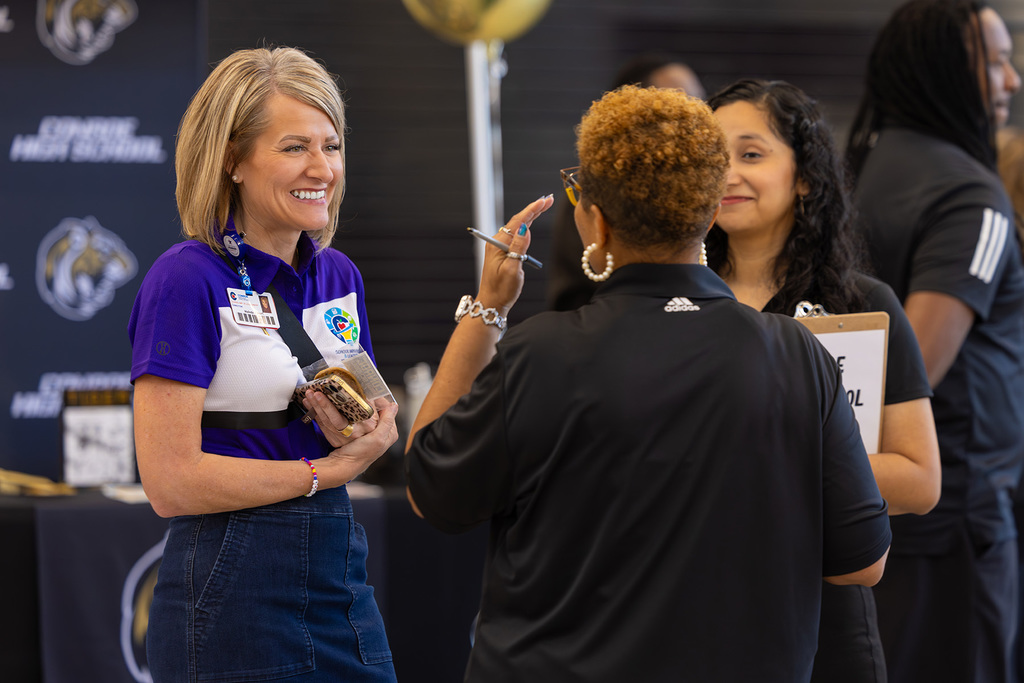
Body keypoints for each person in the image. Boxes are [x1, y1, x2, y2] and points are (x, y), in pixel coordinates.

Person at [405, 85, 891, 682]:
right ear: (711, 213)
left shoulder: (542, 355)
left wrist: (486, 312)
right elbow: (861, 565)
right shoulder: (799, 356)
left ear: (595, 221)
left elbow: (429, 489)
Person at [128, 47, 400, 682]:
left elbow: (359, 412)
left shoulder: (339, 273)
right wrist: (321, 471)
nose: (321, 168)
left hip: (337, 567)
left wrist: (374, 429)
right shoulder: (186, 278)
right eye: (293, 147)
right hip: (228, 579)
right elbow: (170, 482)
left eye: (331, 146)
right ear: (232, 160)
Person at [706, 78, 941, 683]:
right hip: (692, 603)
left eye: (751, 154)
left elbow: (919, 480)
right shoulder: (677, 301)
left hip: (824, 610)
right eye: (712, 156)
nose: (727, 173)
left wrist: (770, 463)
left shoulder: (863, 304)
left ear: (805, 175)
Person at [846, 2, 1024, 681]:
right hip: (949, 518)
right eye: (996, 59)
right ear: (948, 68)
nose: (1010, 80)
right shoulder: (972, 196)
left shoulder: (857, 167)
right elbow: (917, 361)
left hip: (867, 511)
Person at [546, 54, 705, 311]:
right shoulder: (591, 191)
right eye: (678, 98)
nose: (693, 109)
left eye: (698, 98)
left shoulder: (703, 187)